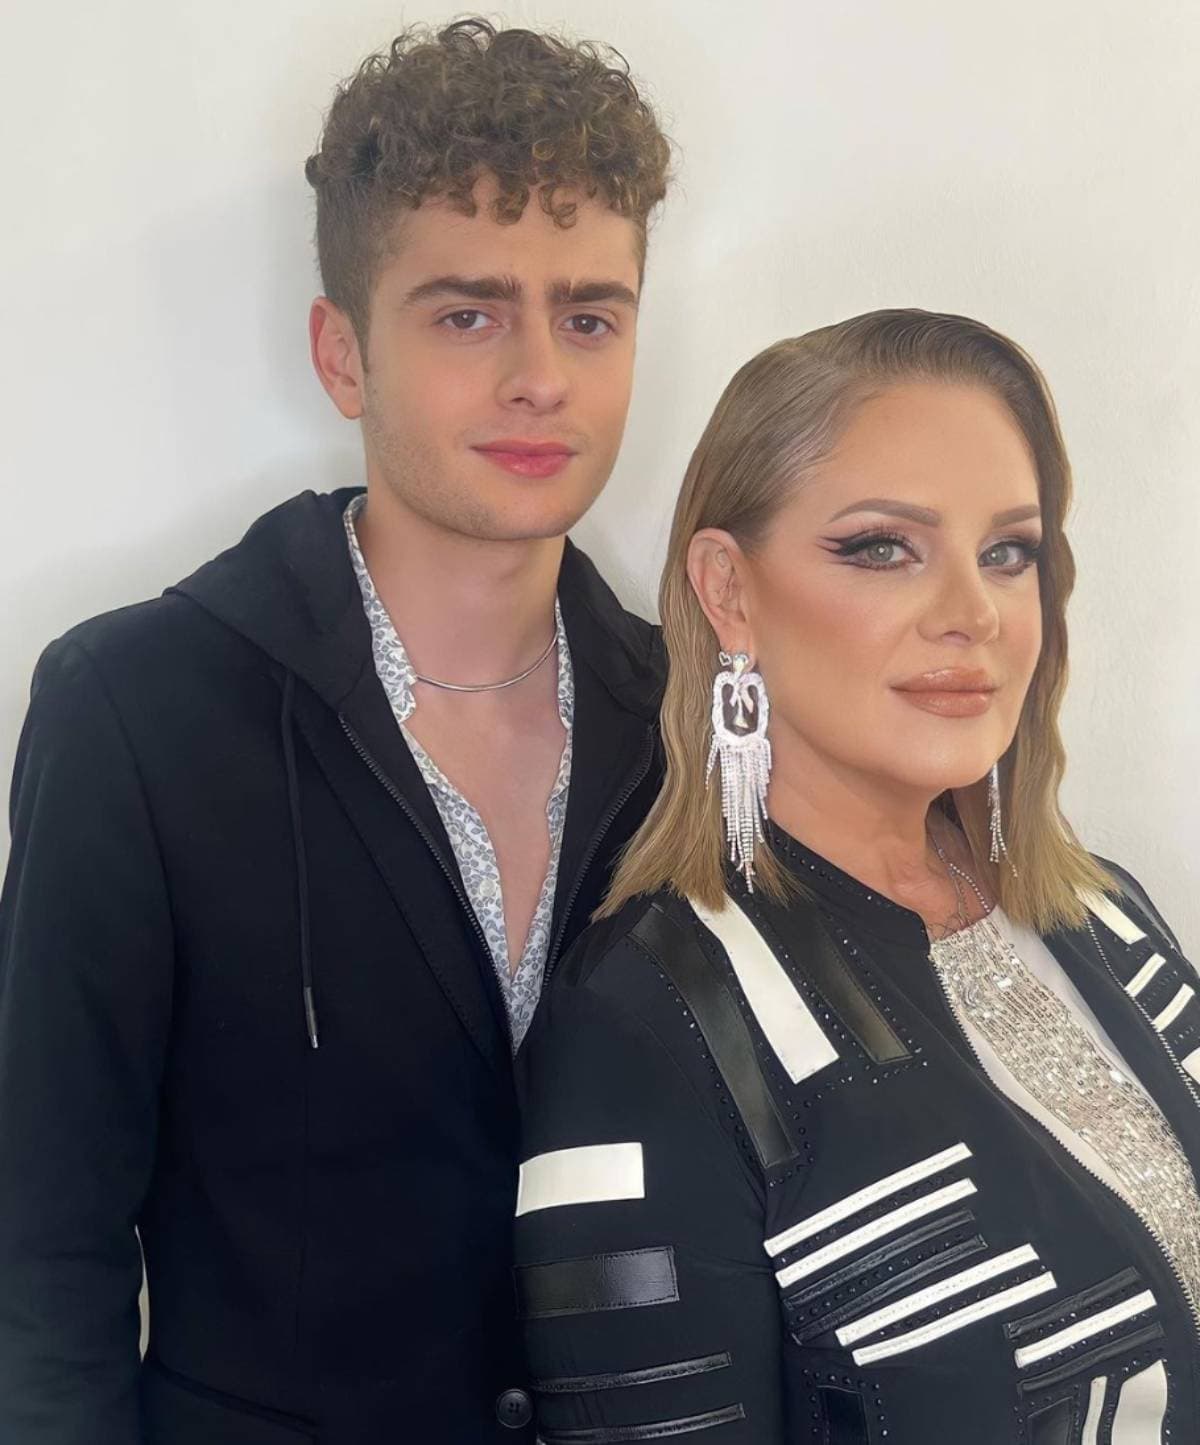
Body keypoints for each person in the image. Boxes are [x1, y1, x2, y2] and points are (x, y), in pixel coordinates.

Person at [0, 19, 670, 1444]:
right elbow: (38, 1248)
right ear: (343, 353)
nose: (541, 375)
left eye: (590, 316)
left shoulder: (690, 720)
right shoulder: (136, 708)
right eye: (467, 314)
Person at [515, 309, 1200, 1444]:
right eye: (884, 547)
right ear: (729, 589)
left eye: (1009, 552)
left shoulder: (1107, 914)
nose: (973, 613)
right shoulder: (649, 1020)